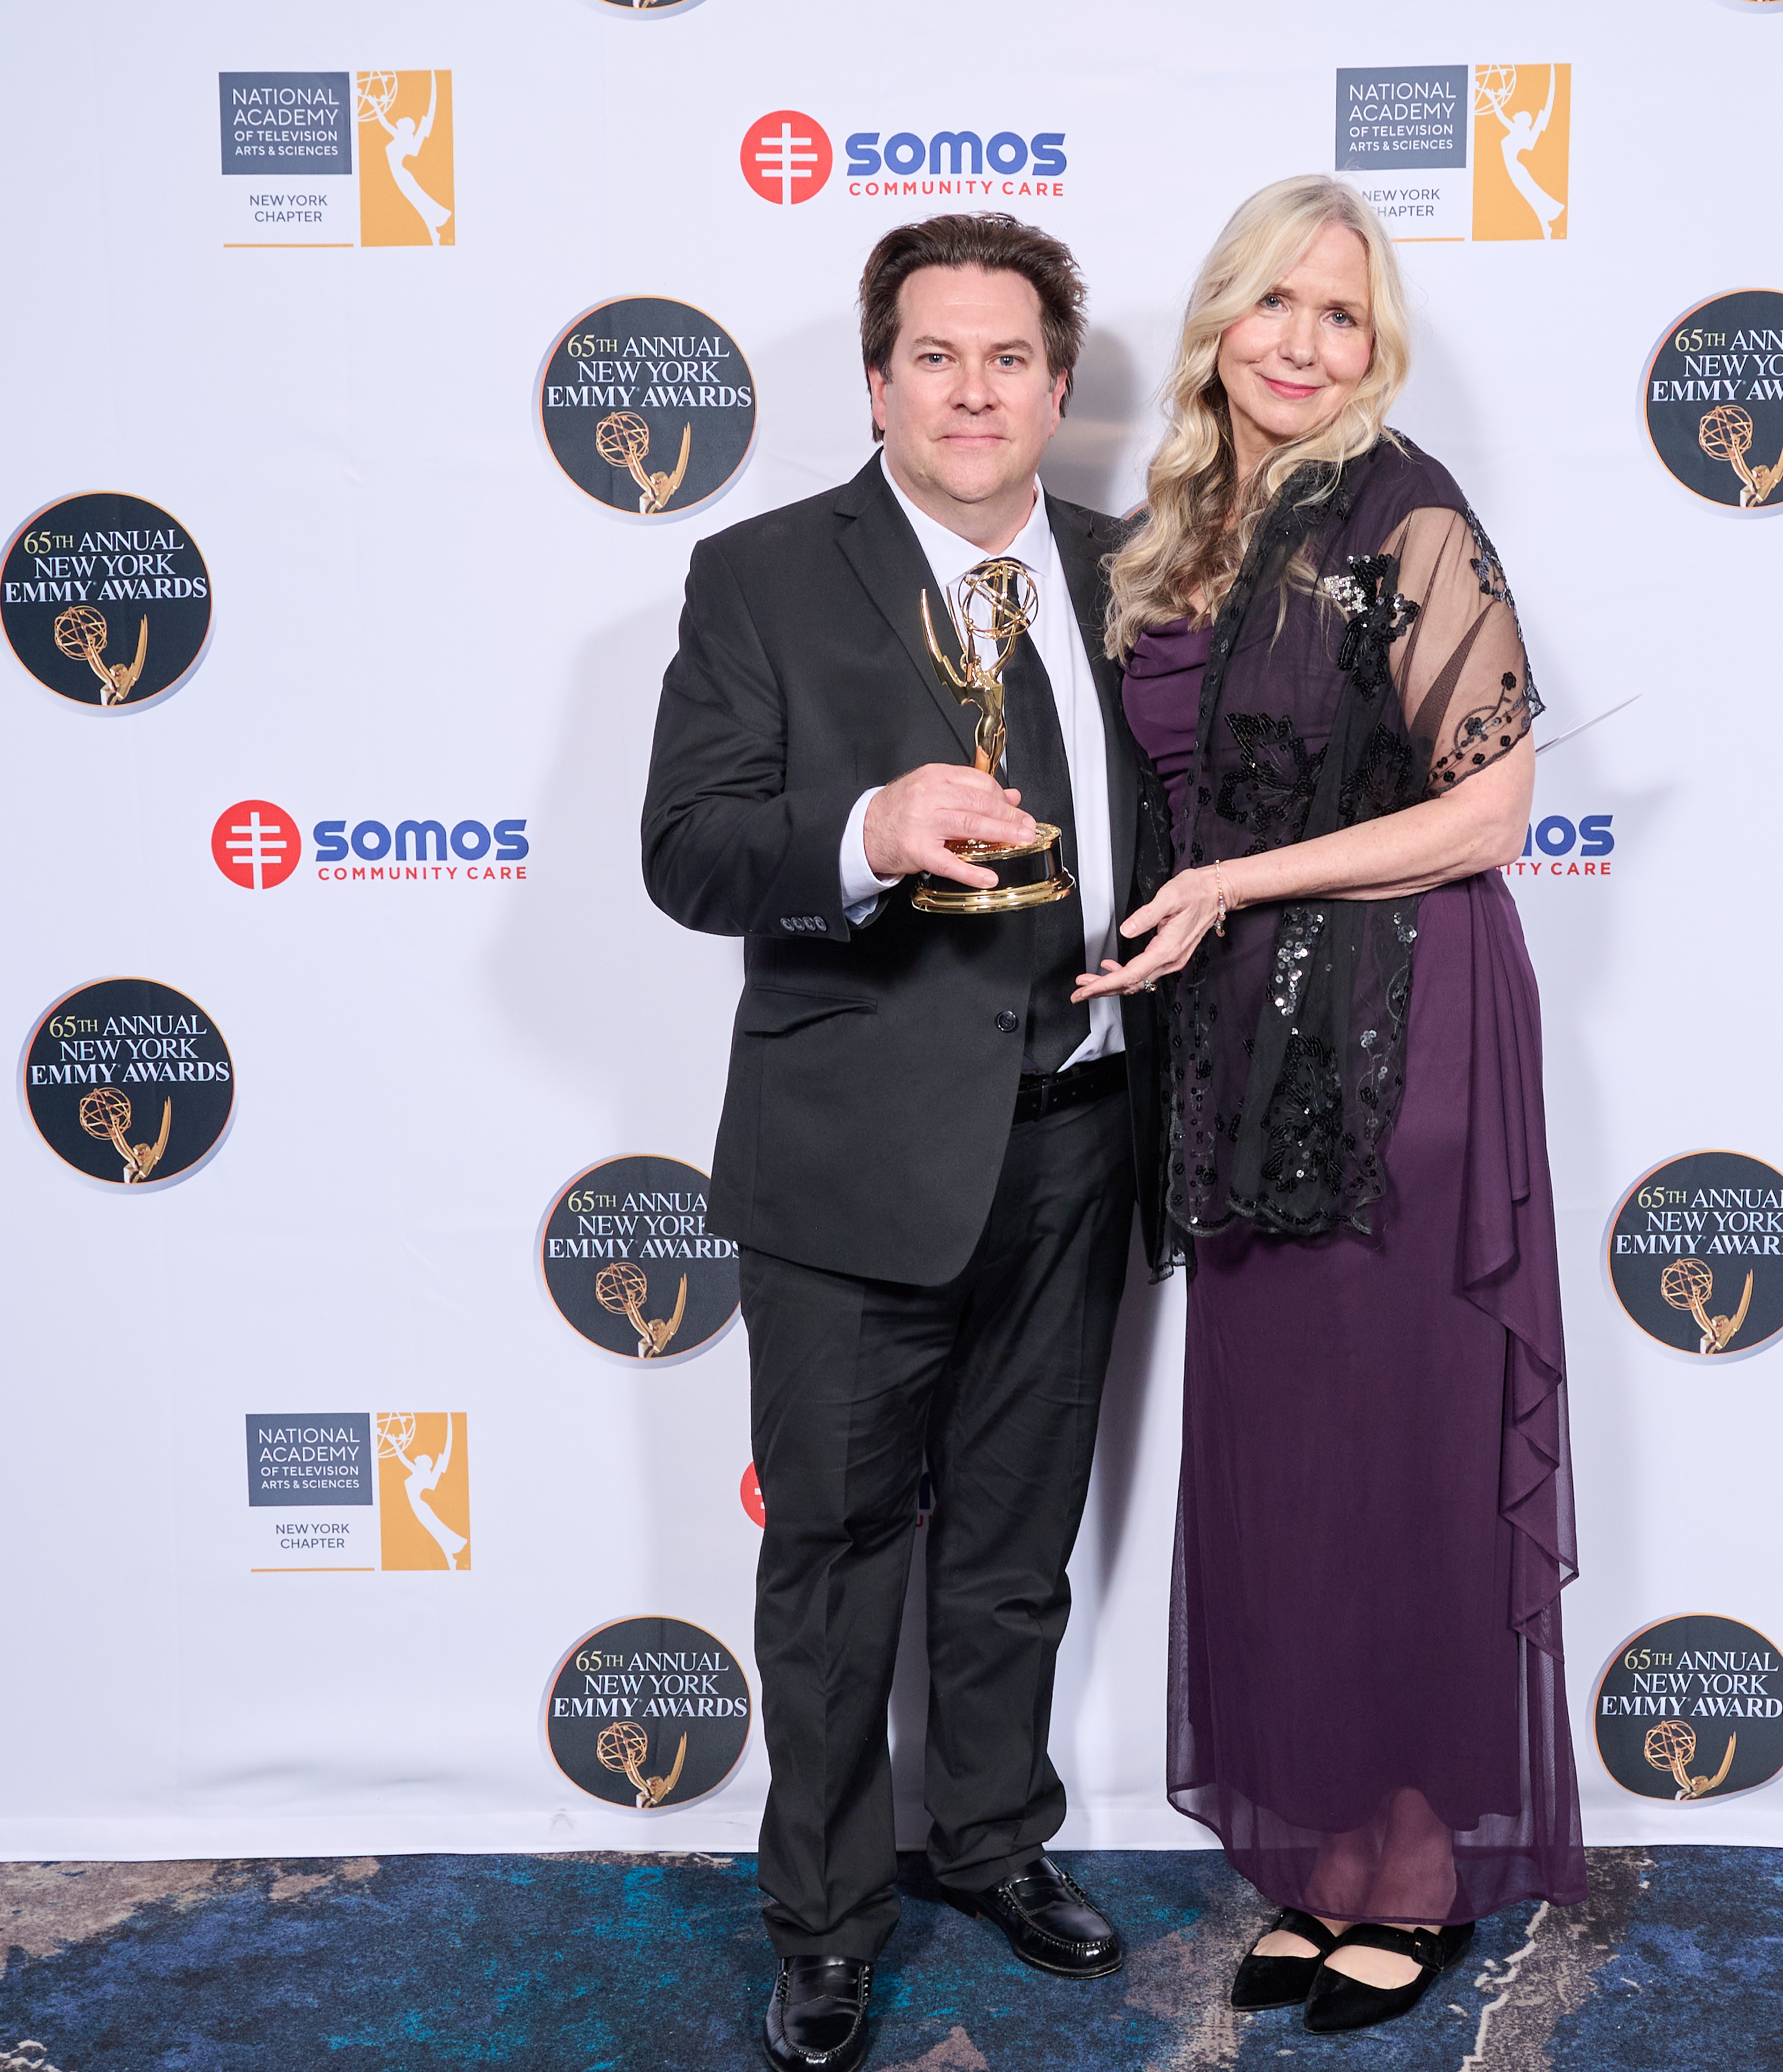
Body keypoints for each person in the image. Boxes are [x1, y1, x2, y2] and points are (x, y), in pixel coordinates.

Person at [640, 214, 1158, 2072]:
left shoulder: (1132, 574)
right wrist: (865, 830)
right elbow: (689, 850)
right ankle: (828, 1920)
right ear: (877, 382)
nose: (972, 391)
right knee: (840, 1557)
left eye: (1009, 358)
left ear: (1058, 386)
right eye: (935, 356)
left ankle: (997, 1840)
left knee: (1018, 1541)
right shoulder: (762, 576)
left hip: (1082, 1133)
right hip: (855, 1159)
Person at [1073, 173, 1584, 2035]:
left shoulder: (1403, 513)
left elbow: (1491, 810)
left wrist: (1235, 887)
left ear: (1379, 350)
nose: (1300, 341)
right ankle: (1335, 1856)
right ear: (1219, 319)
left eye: (1342, 314)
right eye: (1274, 302)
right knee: (1296, 1463)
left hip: (1404, 1032)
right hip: (1239, 1060)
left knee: (1405, 1455)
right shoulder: (1179, 532)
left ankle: (1422, 1866)